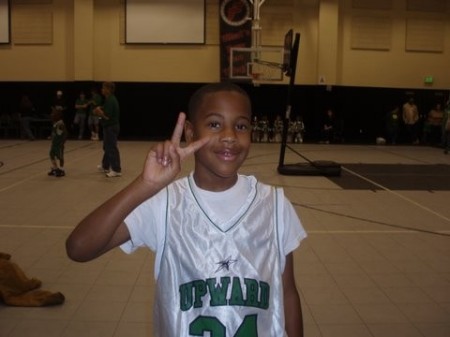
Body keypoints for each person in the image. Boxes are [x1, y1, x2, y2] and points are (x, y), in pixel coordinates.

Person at [66, 82, 307, 337]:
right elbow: (79, 248)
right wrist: (144, 186)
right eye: (215, 124)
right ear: (190, 133)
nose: (229, 136)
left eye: (241, 126)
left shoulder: (275, 204)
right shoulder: (164, 204)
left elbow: (287, 292)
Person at [94, 82, 121, 177]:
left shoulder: (111, 100)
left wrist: (99, 112)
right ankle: (105, 165)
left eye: (103, 88)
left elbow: (107, 117)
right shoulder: (109, 100)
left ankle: (116, 169)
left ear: (108, 89)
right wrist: (101, 109)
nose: (102, 89)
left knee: (111, 147)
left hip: (111, 127)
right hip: (109, 127)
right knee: (107, 147)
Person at [48, 108, 67, 177]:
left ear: (58, 115)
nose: (51, 115)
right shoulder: (55, 123)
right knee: (51, 154)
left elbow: (65, 134)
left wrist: (63, 142)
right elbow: (55, 133)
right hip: (54, 143)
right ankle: (55, 168)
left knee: (60, 157)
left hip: (59, 144)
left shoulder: (60, 123)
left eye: (53, 113)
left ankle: (62, 169)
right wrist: (51, 136)